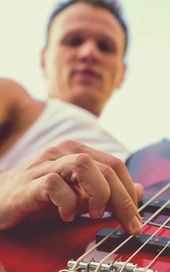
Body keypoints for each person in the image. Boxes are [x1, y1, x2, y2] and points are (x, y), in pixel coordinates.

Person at [0, 0, 143, 233]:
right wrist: (5, 186)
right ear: (44, 60)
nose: (89, 53)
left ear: (122, 73)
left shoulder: (153, 163)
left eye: (105, 46)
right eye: (73, 41)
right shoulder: (17, 100)